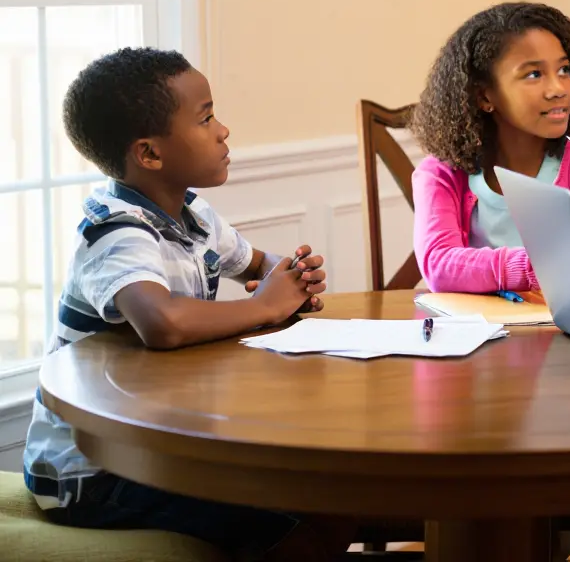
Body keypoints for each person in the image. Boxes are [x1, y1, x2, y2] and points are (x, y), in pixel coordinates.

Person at [22, 48, 353, 561]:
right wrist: (266, 306)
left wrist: (290, 275)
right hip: (92, 468)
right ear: (149, 154)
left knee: (324, 504)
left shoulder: (194, 215)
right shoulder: (116, 230)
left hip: (158, 446)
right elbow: (162, 322)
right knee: (295, 524)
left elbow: (258, 264)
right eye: (206, 118)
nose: (223, 131)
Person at [411, 2, 570, 293]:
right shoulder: (440, 173)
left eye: (564, 69)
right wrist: (537, 268)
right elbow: (440, 266)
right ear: (484, 96)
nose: (558, 88)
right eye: (534, 74)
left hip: (558, 330)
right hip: (471, 332)